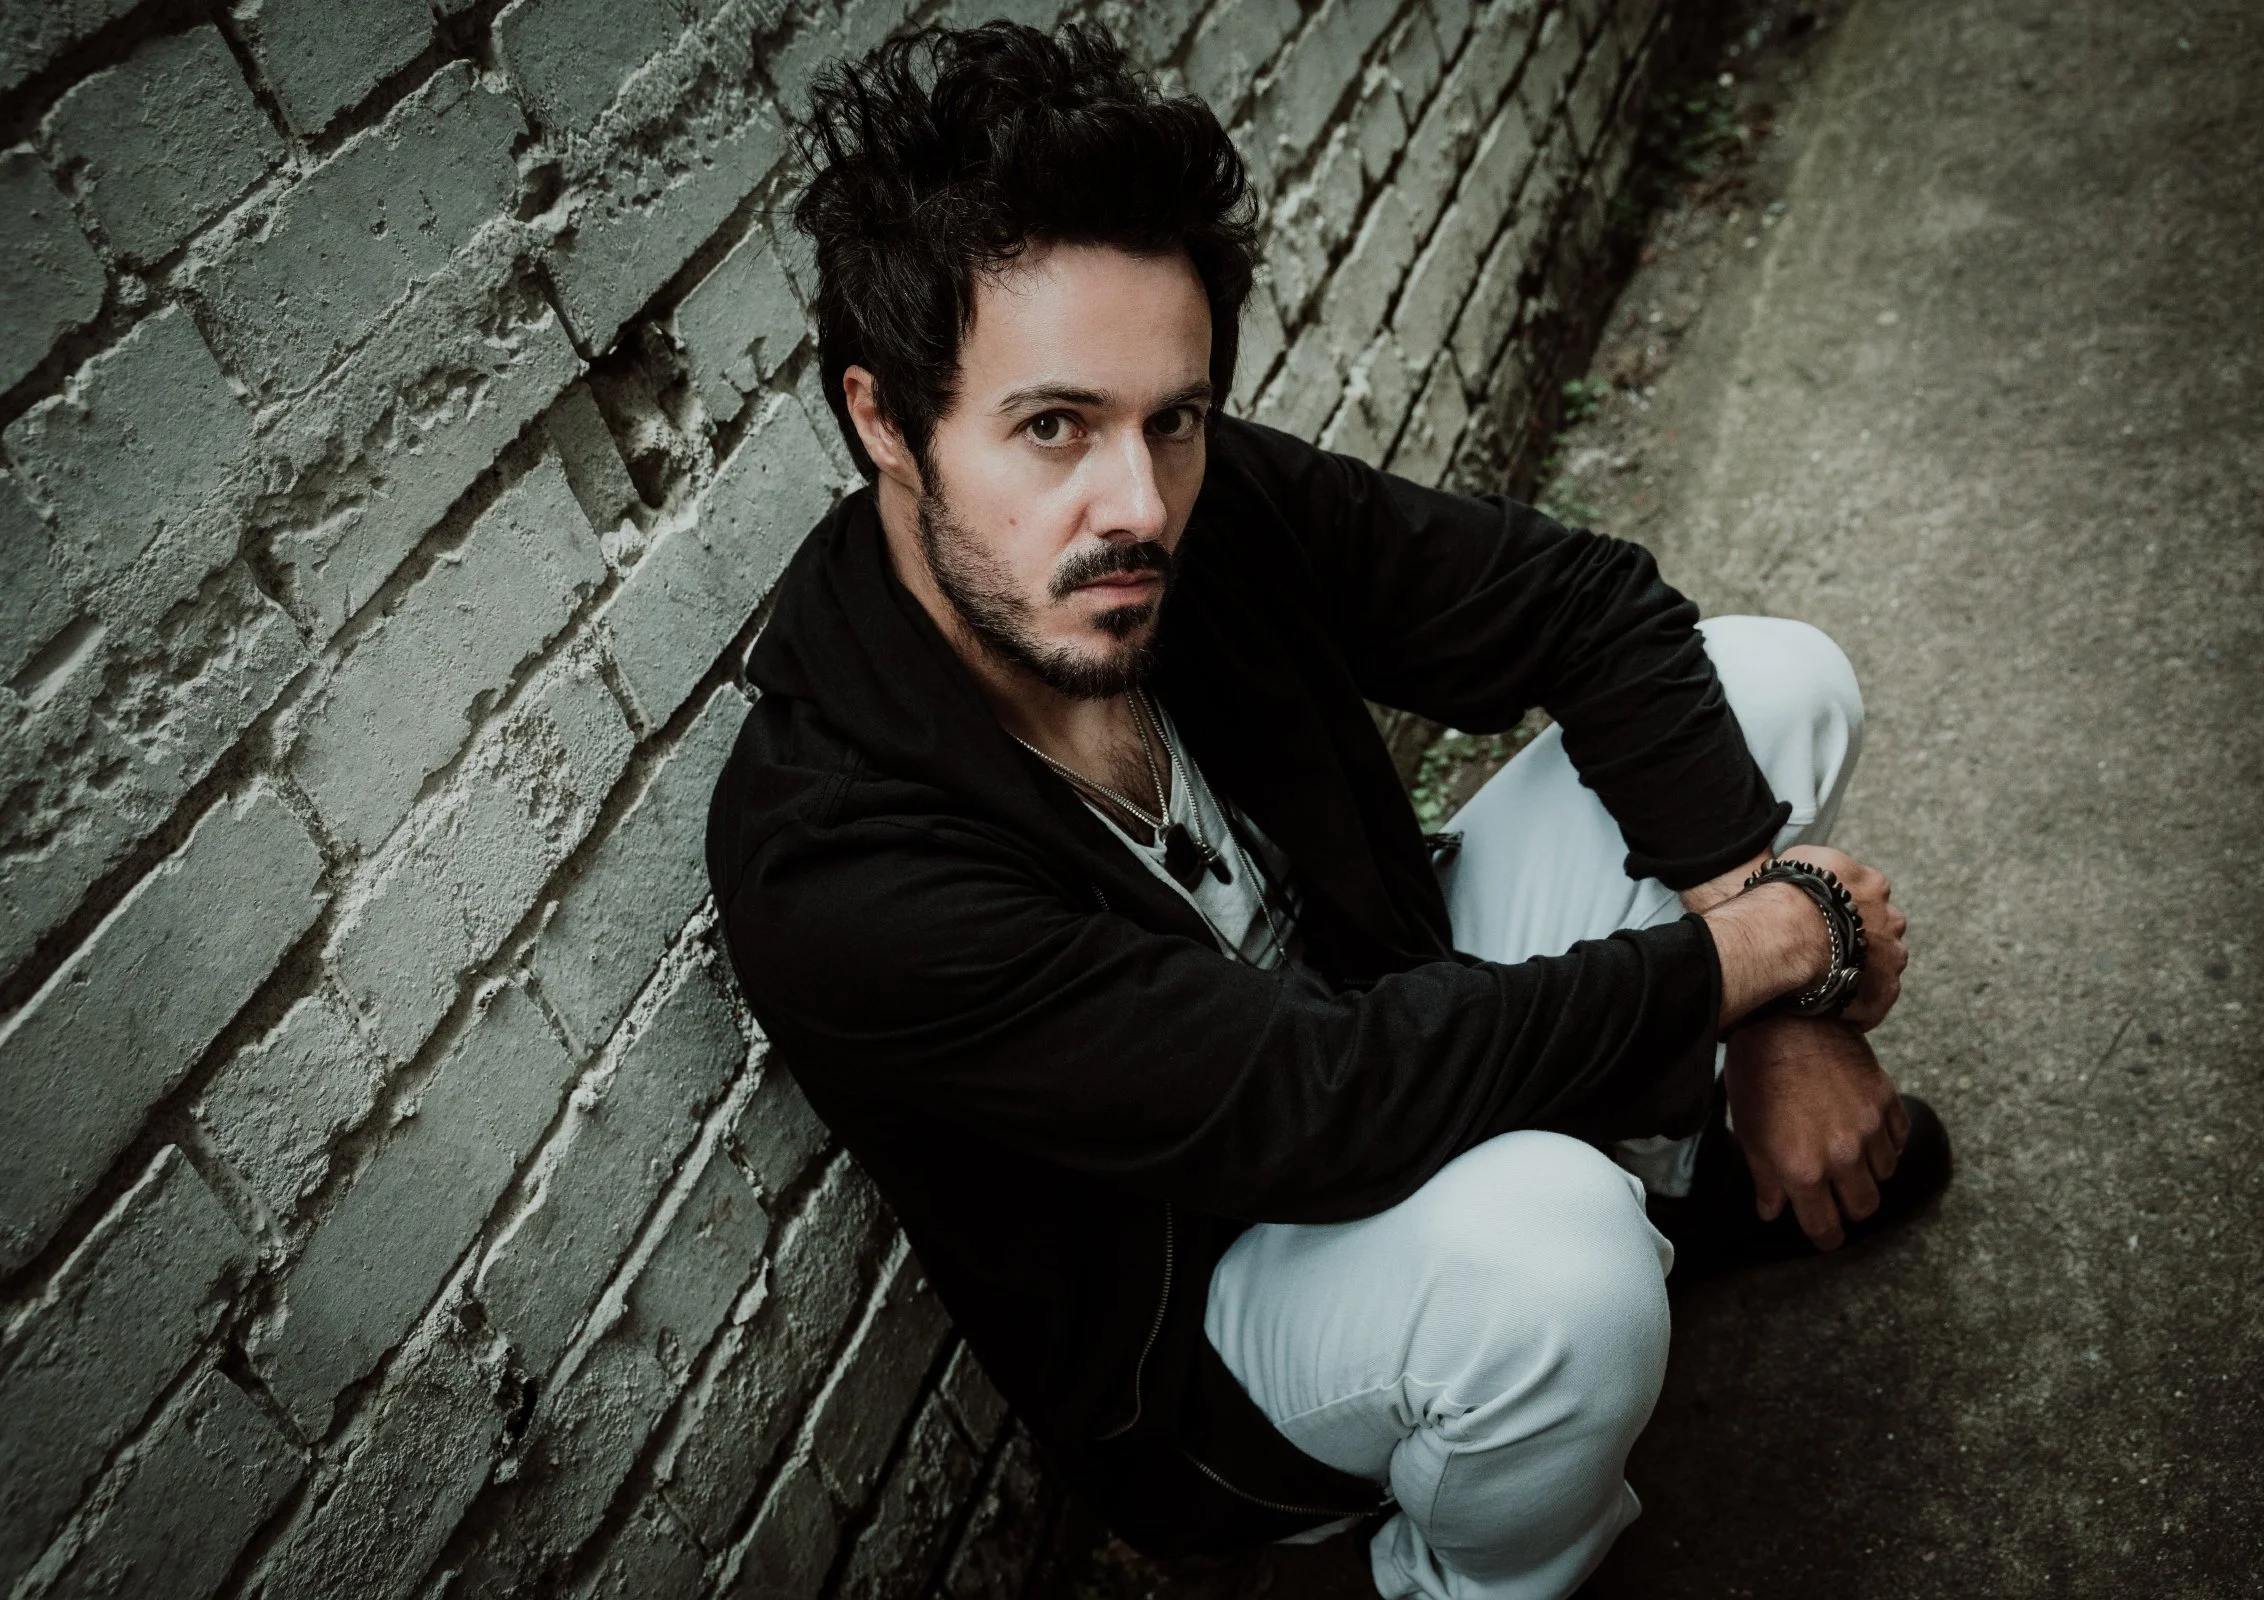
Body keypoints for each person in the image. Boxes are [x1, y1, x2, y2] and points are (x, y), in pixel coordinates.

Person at [707, 21, 1949, 1599]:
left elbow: (1588, 605)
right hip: (1233, 1307)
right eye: (1051, 428)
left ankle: (1662, 1167)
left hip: (1392, 1014)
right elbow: (1312, 1100)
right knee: (1555, 1261)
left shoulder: (1167, 504)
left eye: (1176, 416)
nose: (1137, 505)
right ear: (884, 420)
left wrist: (1781, 1015)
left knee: (1773, 678)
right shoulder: (835, 861)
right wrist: (1770, 952)